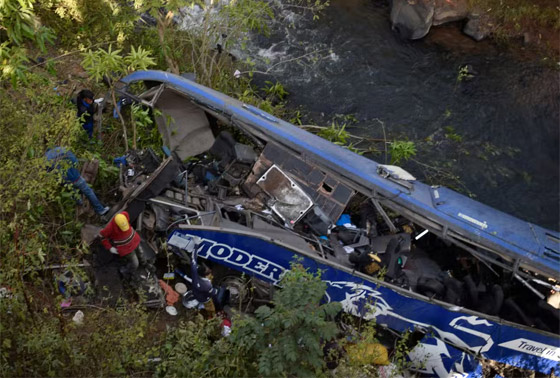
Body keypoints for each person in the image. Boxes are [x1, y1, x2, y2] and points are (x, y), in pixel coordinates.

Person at [45, 146, 109, 216]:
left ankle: (79, 202)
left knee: (72, 190)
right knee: (88, 192)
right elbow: (75, 161)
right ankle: (100, 210)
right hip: (75, 177)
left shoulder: (46, 158)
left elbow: (48, 173)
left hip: (64, 181)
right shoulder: (64, 150)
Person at [99, 212, 147, 279]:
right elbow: (102, 236)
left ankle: (145, 264)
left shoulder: (125, 215)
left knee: (141, 253)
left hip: (134, 240)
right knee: (135, 263)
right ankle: (126, 271)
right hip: (126, 248)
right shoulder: (110, 228)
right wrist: (110, 247)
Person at [191, 248, 218, 318]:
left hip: (196, 293)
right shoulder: (207, 285)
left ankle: (200, 307)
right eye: (209, 271)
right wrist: (216, 290)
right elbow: (213, 293)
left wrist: (196, 245)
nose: (210, 270)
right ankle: (211, 316)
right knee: (211, 308)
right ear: (206, 275)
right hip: (205, 299)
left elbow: (193, 258)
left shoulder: (195, 272)